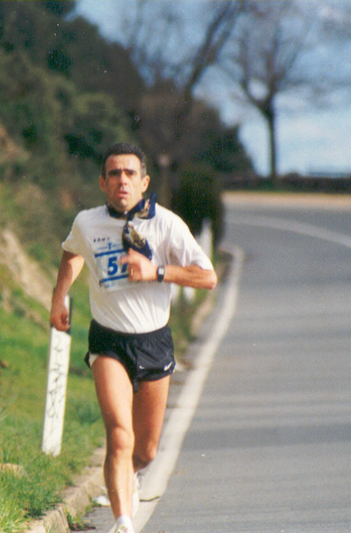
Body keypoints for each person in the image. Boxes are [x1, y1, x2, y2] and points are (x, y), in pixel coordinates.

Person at [50, 142, 217, 533]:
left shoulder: (167, 225)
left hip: (154, 341)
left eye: (129, 174)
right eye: (113, 174)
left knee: (145, 450)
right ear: (102, 183)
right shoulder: (87, 223)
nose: (121, 180)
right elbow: (72, 253)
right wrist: (59, 295)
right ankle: (124, 523)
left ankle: (130, 478)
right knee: (119, 436)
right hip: (108, 341)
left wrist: (157, 271)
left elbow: (207, 277)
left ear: (143, 182)